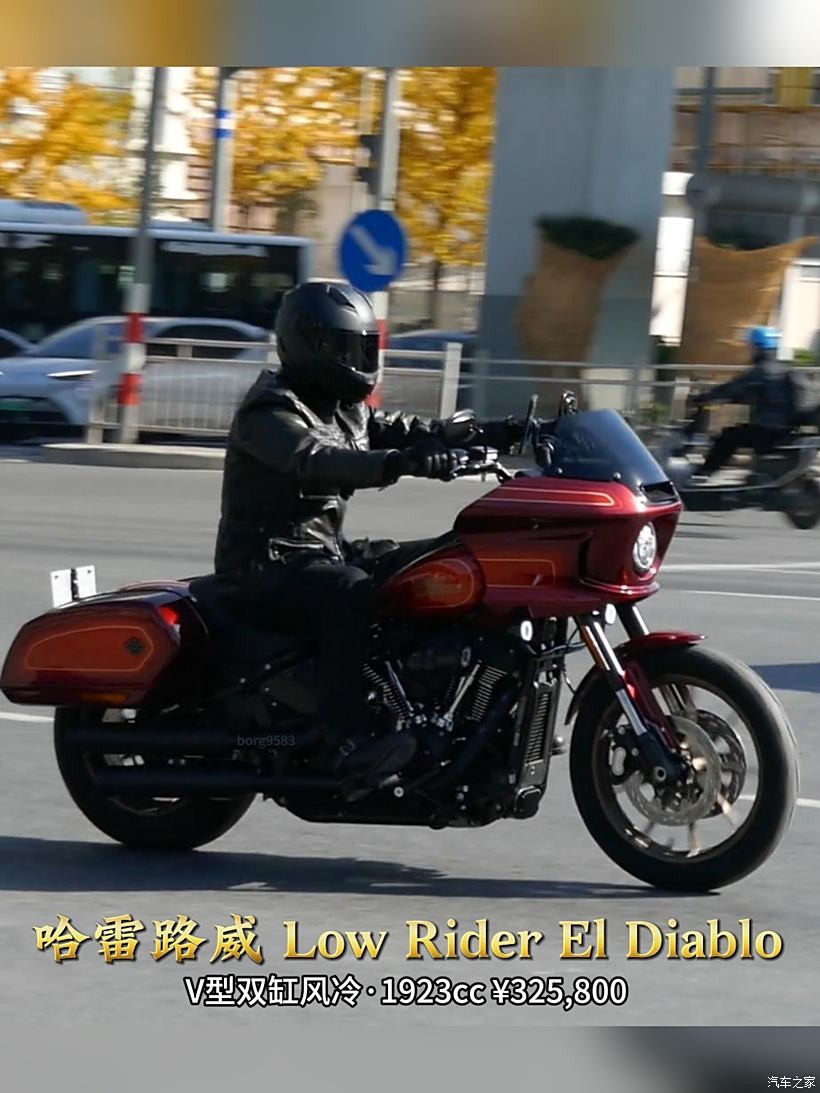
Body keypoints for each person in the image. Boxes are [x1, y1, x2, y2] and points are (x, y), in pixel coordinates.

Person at [213, 280, 547, 789]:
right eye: (347, 348)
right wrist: (400, 463)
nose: (359, 359)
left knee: (442, 563)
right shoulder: (271, 411)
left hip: (318, 553)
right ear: (311, 345)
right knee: (349, 593)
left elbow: (411, 429)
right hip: (264, 569)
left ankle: (421, 706)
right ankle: (345, 740)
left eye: (364, 347)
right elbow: (315, 460)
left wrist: (501, 431)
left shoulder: (343, 406)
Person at [691, 326, 797, 481]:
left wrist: (704, 397)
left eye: (750, 347)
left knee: (729, 436)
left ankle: (702, 475)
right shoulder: (784, 368)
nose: (749, 350)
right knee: (737, 433)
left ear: (757, 348)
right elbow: (757, 394)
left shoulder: (760, 371)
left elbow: (733, 388)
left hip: (770, 431)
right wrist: (735, 399)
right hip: (786, 429)